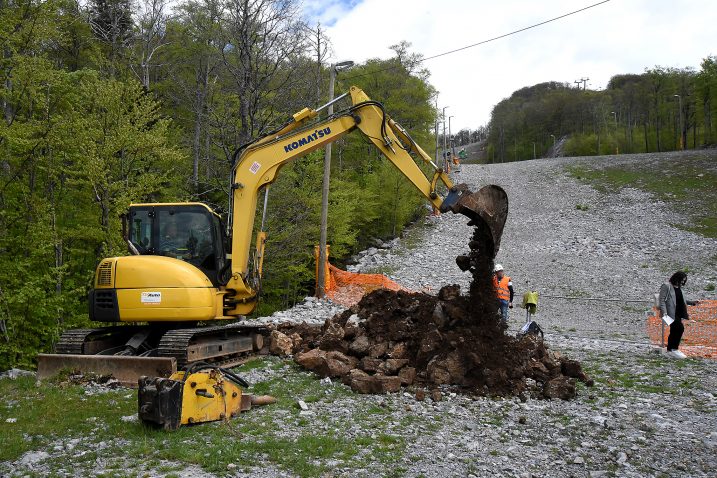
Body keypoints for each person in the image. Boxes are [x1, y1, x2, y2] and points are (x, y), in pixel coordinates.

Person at [659, 271, 699, 359]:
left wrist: (692, 303)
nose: (682, 282)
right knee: (679, 328)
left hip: (678, 313)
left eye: (684, 280)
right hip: (669, 313)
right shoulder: (666, 286)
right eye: (682, 280)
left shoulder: (679, 288)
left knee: (674, 330)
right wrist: (664, 312)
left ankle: (671, 349)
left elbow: (681, 299)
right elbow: (661, 300)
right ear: (677, 278)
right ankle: (673, 349)